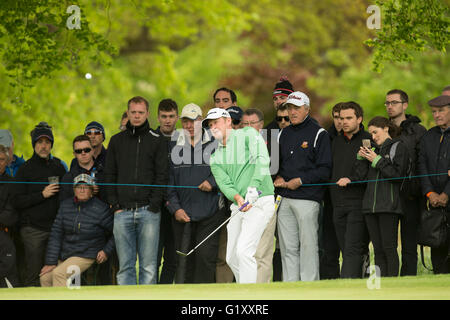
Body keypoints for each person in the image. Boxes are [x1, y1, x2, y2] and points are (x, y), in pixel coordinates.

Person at [207, 107, 275, 284]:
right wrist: (238, 198)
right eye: (210, 124)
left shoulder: (248, 134)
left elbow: (262, 158)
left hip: (261, 200)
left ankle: (250, 295)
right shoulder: (215, 158)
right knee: (231, 258)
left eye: (217, 122)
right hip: (240, 205)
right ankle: (246, 287)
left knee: (244, 251)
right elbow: (225, 185)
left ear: (228, 121)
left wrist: (254, 187)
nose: (213, 126)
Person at [105, 96, 168, 285]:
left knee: (148, 267)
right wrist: (114, 204)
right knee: (125, 267)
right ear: (128, 113)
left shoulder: (157, 141)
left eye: (141, 112)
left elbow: (162, 175)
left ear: (147, 114)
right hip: (122, 212)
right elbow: (109, 174)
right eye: (133, 112)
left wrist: (154, 205)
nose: (137, 116)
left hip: (148, 212)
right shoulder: (116, 141)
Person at [274, 91, 332, 282]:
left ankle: (309, 286)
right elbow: (277, 165)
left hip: (308, 198)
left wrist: (300, 180)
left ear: (307, 109)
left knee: (308, 245)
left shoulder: (319, 133)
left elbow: (325, 170)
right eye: (289, 108)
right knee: (287, 248)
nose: (292, 112)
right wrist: (279, 176)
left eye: (297, 108)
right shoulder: (283, 133)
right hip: (285, 198)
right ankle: (290, 287)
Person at [167, 103, 223, 283]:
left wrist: (212, 182)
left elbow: (227, 171)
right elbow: (167, 181)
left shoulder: (215, 142)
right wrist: (175, 209)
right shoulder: (173, 144)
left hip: (209, 213)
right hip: (182, 214)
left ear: (201, 121)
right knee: (183, 261)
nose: (189, 125)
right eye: (185, 121)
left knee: (205, 257)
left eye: (194, 121)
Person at [11, 122, 66, 286]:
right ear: (34, 144)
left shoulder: (59, 167)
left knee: (57, 273)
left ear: (51, 145)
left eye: (47, 142)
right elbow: (17, 201)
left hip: (56, 229)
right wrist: (42, 194)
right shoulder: (25, 169)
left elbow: (66, 196)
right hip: (32, 230)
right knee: (34, 274)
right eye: (40, 142)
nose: (44, 146)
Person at [352, 116, 408, 277]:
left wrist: (377, 160)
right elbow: (360, 177)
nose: (373, 137)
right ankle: (381, 285)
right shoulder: (374, 150)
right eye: (371, 134)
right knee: (377, 249)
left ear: (386, 128)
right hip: (370, 207)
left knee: (389, 248)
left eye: (375, 132)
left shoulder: (399, 147)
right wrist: (361, 159)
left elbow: (397, 175)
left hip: (389, 206)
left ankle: (392, 284)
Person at [40, 174, 114, 287]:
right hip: (66, 253)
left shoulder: (101, 208)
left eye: (86, 187)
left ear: (92, 190)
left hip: (87, 253)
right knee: (45, 277)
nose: (82, 190)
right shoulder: (65, 206)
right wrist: (50, 262)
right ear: (74, 190)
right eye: (79, 187)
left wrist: (106, 251)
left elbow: (116, 232)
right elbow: (56, 234)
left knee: (59, 274)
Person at [385, 89, 427, 276]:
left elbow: (423, 163)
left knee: (410, 244)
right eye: (387, 103)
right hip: (388, 194)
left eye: (394, 102)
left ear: (405, 105)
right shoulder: (383, 128)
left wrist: (420, 190)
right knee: (387, 244)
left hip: (411, 195)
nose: (390, 106)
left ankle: (408, 278)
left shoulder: (418, 131)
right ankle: (388, 279)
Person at [330, 102, 371, 278]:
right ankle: (359, 281)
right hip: (337, 203)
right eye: (341, 118)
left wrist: (352, 180)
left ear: (359, 119)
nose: (344, 122)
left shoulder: (368, 140)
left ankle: (347, 285)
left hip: (358, 202)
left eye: (349, 118)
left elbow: (367, 171)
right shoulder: (335, 141)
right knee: (344, 247)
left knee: (352, 247)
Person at [241, 108, 277, 283]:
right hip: (245, 204)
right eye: (245, 124)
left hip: (264, 199)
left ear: (261, 125)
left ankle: (261, 292)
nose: (248, 128)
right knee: (246, 252)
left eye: (252, 124)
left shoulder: (265, 143)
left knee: (262, 251)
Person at [418, 94, 450, 274]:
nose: (437, 115)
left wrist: (446, 194)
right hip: (435, 204)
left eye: (441, 111)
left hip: (447, 198)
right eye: (434, 112)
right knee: (438, 249)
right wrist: (430, 194)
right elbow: (421, 167)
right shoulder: (429, 136)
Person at [155, 98, 179, 284]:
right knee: (152, 257)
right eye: (164, 116)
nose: (167, 120)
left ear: (177, 117)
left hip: (177, 205)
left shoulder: (185, 139)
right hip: (155, 206)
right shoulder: (150, 139)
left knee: (172, 257)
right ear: (158, 117)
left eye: (171, 116)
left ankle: (164, 289)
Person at [319, 102, 344, 280]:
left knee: (354, 246)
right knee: (329, 247)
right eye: (336, 117)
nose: (340, 122)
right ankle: (330, 280)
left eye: (343, 118)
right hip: (329, 200)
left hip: (353, 199)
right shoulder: (326, 137)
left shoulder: (363, 138)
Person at [61, 135, 106, 202]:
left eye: (86, 150)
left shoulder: (105, 172)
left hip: (102, 211)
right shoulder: (68, 178)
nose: (83, 153)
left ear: (93, 151)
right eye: (79, 151)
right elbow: (64, 203)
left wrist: (99, 191)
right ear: (74, 154)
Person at [0, 145, 19, 288]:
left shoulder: (12, 183)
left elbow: (11, 213)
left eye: (1, 160)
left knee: (8, 259)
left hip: (4, 231)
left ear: (6, 162)